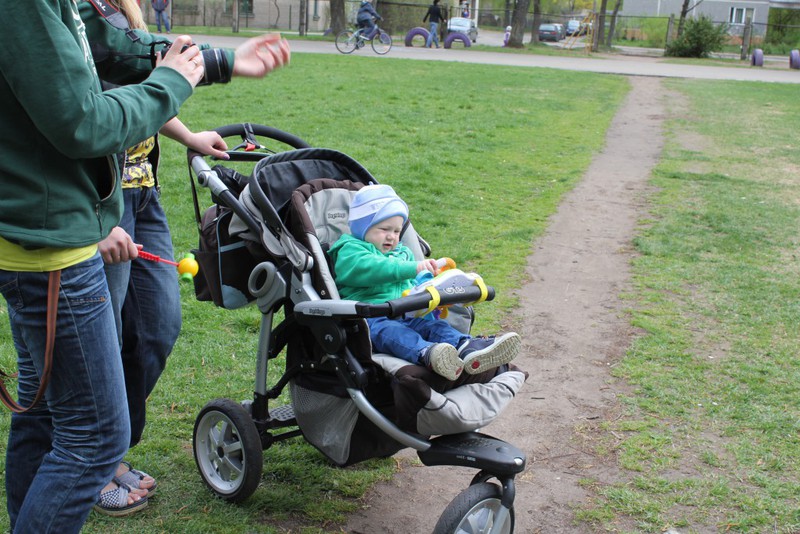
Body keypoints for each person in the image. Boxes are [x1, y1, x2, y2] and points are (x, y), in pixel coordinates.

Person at [0, 2, 289, 531]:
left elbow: (110, 46)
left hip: (64, 228)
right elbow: (83, 123)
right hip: (54, 244)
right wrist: (170, 84)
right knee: (94, 437)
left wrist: (219, 61)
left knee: (51, 410)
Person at [92, 0, 233, 516]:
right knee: (100, 339)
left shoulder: (124, 12)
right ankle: (96, 463)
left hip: (143, 194)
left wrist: (189, 136)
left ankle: (108, 447)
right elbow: (75, 116)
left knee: (157, 326)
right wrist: (96, 220)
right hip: (102, 199)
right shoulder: (78, 16)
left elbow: (148, 92)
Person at [329, 185, 521, 381]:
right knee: (396, 333)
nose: (391, 236)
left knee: (435, 327)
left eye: (397, 231)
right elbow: (375, 268)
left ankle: (467, 347)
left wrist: (430, 284)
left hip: (406, 312)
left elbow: (413, 281)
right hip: (370, 320)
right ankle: (429, 353)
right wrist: (414, 267)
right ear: (362, 227)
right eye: (384, 229)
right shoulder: (350, 251)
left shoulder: (401, 253)